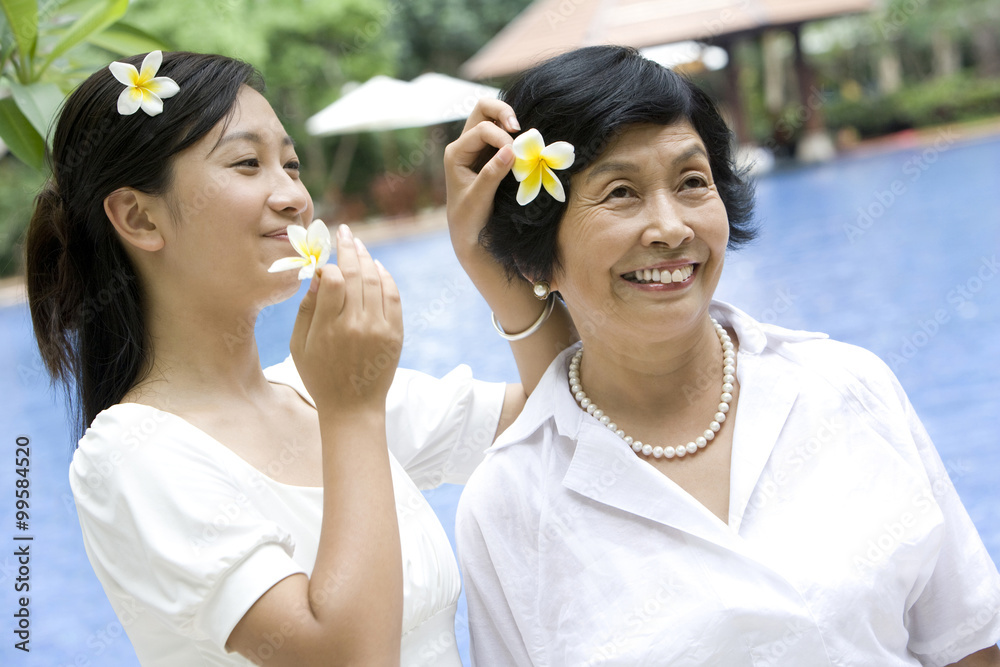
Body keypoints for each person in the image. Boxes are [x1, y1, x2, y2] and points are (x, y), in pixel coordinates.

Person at [454, 45, 1000, 666]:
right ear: (535, 255)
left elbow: (967, 646)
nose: (670, 228)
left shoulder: (849, 388)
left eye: (692, 182)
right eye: (621, 193)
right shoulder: (509, 501)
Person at [26, 50, 572, 666]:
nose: (292, 197)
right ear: (139, 216)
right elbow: (347, 656)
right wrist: (353, 412)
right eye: (246, 163)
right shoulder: (132, 454)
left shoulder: (319, 393)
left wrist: (487, 259)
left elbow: (562, 412)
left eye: (290, 163)